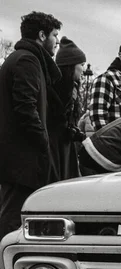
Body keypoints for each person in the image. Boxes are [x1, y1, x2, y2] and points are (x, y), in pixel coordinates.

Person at [0, 11, 62, 243]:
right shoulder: (28, 60)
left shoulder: (20, 57)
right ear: (42, 35)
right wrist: (42, 141)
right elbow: (26, 108)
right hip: (22, 158)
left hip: (18, 156)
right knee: (14, 215)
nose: (57, 42)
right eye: (55, 35)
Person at [47, 36, 87, 181]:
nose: (83, 69)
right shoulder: (57, 89)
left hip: (65, 147)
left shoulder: (72, 89)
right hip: (56, 148)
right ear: (71, 66)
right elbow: (56, 121)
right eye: (81, 64)